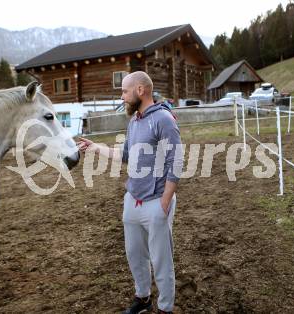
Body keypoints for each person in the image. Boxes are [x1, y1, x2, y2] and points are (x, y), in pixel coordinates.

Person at [77, 71, 183, 314]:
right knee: (135, 255)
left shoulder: (164, 119)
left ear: (140, 90)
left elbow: (175, 162)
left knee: (161, 260)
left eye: (125, 91)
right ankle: (143, 298)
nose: (122, 96)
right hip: (132, 199)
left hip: (157, 201)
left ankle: (165, 308)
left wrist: (165, 201)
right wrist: (96, 148)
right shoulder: (134, 121)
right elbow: (125, 156)